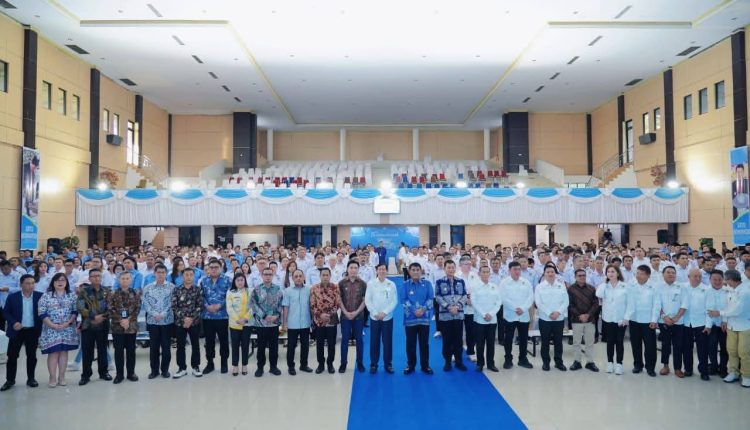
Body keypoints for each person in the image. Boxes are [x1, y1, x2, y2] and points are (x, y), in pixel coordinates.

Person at [1, 274, 43, 391]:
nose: (31, 286)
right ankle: (10, 380)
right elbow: (6, 312)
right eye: (27, 283)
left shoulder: (40, 296)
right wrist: (13, 322)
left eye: (33, 283)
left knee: (32, 356)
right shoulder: (13, 297)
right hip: (16, 331)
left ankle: (31, 378)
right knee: (12, 356)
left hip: (32, 331)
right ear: (21, 285)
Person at [709, 269, 750, 387]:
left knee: (744, 352)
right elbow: (727, 306)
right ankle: (733, 372)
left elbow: (738, 310)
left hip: (744, 326)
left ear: (731, 280)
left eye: (726, 280)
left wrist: (719, 313)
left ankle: (746, 376)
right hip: (731, 326)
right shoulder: (731, 290)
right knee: (731, 351)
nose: (725, 282)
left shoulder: (746, 292)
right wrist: (724, 320)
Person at [38, 273, 79, 388]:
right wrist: (52, 325)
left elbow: (75, 311)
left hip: (67, 328)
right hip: (51, 329)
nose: (60, 282)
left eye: (62, 280)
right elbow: (41, 312)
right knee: (53, 353)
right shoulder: (46, 295)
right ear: (53, 282)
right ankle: (52, 377)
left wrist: (68, 322)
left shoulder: (72, 295)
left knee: (63, 353)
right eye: (57, 280)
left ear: (66, 283)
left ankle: (62, 377)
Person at [76, 268, 112, 385]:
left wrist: (102, 317)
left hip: (103, 324)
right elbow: (80, 307)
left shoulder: (107, 291)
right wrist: (93, 317)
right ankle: (86, 375)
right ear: (89, 278)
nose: (97, 278)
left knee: (103, 349)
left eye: (99, 276)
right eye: (94, 276)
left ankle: (103, 372)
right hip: (88, 325)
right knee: (87, 351)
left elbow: (111, 307)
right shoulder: (83, 291)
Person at [625, 265, 659, 377]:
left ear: (648, 275)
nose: (638, 276)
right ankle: (638, 365)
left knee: (650, 346)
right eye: (637, 273)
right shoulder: (631, 285)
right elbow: (628, 302)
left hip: (648, 321)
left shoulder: (654, 287)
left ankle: (650, 367)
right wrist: (626, 317)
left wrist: (654, 320)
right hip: (634, 319)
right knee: (636, 344)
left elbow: (656, 305)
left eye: (642, 274)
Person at [435, 260, 468, 371]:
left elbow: (464, 295)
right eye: (448, 267)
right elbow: (438, 297)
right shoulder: (439, 282)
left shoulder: (461, 281)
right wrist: (449, 307)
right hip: (446, 316)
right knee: (447, 340)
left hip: (458, 315)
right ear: (445, 269)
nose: (451, 270)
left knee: (458, 340)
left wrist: (457, 307)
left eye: (453, 267)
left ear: (455, 268)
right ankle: (447, 362)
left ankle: (459, 362)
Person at [142, 264, 174, 379]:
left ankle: (165, 370)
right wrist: (155, 314)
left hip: (167, 321)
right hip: (153, 321)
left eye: (163, 272)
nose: (160, 274)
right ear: (154, 273)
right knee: (154, 347)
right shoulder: (148, 287)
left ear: (166, 274)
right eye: (158, 272)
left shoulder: (171, 287)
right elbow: (146, 303)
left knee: (166, 347)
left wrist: (163, 313)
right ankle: (154, 371)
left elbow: (172, 302)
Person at [500, 261, 534, 369]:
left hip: (523, 315)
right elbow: (503, 298)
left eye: (519, 269)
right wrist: (515, 308)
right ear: (509, 270)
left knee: (523, 338)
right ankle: (508, 359)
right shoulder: (504, 283)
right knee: (508, 338)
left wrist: (523, 308)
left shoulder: (526, 282)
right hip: (510, 315)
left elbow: (530, 297)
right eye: (515, 269)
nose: (517, 271)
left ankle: (523, 359)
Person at [535, 264, 569, 371]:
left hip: (559, 319)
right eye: (548, 272)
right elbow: (538, 302)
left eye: (552, 272)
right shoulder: (539, 287)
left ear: (555, 274)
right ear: (544, 274)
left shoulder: (561, 285)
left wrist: (558, 312)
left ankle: (559, 362)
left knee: (558, 342)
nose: (550, 274)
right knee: (545, 342)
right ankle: (546, 363)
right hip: (545, 319)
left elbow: (566, 301)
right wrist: (549, 313)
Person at [108, 271, 140, 384]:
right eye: (122, 278)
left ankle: (131, 373)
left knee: (131, 351)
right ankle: (119, 374)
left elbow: (137, 308)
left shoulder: (136, 293)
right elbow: (110, 309)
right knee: (119, 352)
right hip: (118, 327)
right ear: (119, 280)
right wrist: (121, 320)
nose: (125, 280)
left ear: (131, 280)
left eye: (127, 278)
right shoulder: (113, 293)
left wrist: (128, 320)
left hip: (131, 327)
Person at [596, 264, 628, 375]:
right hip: (608, 318)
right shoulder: (604, 286)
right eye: (608, 272)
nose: (610, 273)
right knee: (609, 342)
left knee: (619, 341)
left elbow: (630, 303)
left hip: (621, 319)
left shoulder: (624, 286)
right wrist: (604, 284)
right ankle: (610, 363)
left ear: (618, 273)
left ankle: (619, 364)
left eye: (613, 271)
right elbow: (598, 294)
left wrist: (626, 318)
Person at [250, 267, 283, 377]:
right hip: (261, 324)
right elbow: (253, 305)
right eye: (265, 274)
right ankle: (260, 368)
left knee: (274, 347)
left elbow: (281, 304)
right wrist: (264, 316)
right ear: (262, 275)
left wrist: (276, 316)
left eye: (270, 274)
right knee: (261, 347)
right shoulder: (257, 289)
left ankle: (273, 367)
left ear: (272, 275)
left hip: (274, 323)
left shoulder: (278, 289)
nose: (268, 276)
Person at [401, 262, 433, 375]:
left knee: (424, 343)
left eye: (417, 270)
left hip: (424, 319)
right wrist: (414, 310)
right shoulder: (405, 285)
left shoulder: (427, 284)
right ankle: (411, 365)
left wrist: (423, 309)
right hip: (410, 319)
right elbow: (403, 300)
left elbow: (430, 299)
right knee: (410, 343)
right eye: (413, 270)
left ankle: (425, 366)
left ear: (421, 271)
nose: (415, 272)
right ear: (409, 272)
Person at [365, 264, 397, 374]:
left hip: (387, 318)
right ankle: (374, 364)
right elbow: (367, 300)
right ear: (376, 271)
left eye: (384, 269)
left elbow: (394, 301)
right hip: (374, 318)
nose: (382, 271)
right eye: (380, 269)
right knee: (374, 341)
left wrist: (385, 312)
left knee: (387, 342)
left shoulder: (391, 284)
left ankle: (388, 364)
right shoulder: (371, 283)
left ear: (386, 271)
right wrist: (374, 313)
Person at [171, 267, 203, 378]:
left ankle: (195, 366)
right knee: (180, 346)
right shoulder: (177, 289)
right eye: (186, 275)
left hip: (194, 322)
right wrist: (184, 319)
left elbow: (199, 306)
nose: (188, 277)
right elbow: (174, 306)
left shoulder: (198, 289)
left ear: (193, 276)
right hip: (180, 323)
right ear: (182, 276)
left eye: (191, 275)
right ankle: (182, 368)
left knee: (195, 345)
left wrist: (190, 319)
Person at [200, 260, 230, 374]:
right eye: (211, 267)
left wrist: (220, 305)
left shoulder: (227, 280)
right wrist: (207, 306)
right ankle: (210, 364)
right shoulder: (204, 281)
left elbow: (231, 296)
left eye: (216, 267)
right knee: (209, 342)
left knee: (224, 341)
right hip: (208, 316)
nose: (213, 269)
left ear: (221, 268)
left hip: (222, 316)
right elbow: (201, 296)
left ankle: (224, 363)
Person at [657, 266, 688, 377]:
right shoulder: (658, 287)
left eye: (673, 272)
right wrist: (664, 317)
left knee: (678, 345)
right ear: (663, 274)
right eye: (668, 272)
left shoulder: (681, 287)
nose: (671, 274)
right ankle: (665, 366)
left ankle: (678, 368)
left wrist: (676, 317)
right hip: (663, 320)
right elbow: (657, 304)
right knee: (665, 344)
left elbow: (685, 303)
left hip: (678, 321)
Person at [567, 268, 600, 372]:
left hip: (590, 320)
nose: (582, 277)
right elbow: (569, 305)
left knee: (589, 342)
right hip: (576, 319)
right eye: (579, 275)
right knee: (576, 342)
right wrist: (580, 315)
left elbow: (596, 304)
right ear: (575, 277)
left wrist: (588, 315)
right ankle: (577, 361)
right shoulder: (571, 289)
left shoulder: (591, 288)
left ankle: (590, 362)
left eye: (584, 275)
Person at [338, 260, 367, 373]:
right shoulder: (341, 283)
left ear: (358, 270)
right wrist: (345, 312)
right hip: (345, 317)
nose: (353, 270)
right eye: (351, 268)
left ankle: (360, 362)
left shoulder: (363, 284)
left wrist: (356, 312)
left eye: (355, 268)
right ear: (347, 269)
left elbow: (364, 301)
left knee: (359, 340)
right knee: (345, 340)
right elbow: (339, 299)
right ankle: (343, 363)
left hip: (358, 317)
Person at [282, 269, 313, 375]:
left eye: (300, 276)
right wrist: (284, 323)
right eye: (296, 276)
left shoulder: (309, 290)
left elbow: (311, 306)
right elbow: (286, 307)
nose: (298, 278)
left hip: (305, 323)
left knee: (305, 346)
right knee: (291, 346)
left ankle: (304, 365)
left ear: (303, 277)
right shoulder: (288, 291)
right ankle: (291, 366)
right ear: (292, 278)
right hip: (292, 323)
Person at [683, 268, 712, 380]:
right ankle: (688, 369)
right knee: (686, 348)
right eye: (695, 276)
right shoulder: (683, 288)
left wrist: (708, 325)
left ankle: (704, 371)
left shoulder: (707, 289)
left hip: (701, 324)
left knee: (703, 349)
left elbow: (709, 309)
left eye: (699, 276)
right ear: (688, 277)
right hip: (686, 323)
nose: (697, 278)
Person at [471, 266, 502, 372]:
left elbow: (498, 302)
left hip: (492, 320)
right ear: (479, 273)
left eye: (487, 272)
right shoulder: (475, 287)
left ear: (490, 274)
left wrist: (491, 314)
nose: (485, 274)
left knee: (491, 343)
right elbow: (474, 302)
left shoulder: (494, 286)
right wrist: (484, 314)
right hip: (480, 319)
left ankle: (490, 364)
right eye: (483, 272)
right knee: (480, 343)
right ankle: (480, 364)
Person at [310, 267, 340, 374]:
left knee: (331, 344)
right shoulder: (314, 288)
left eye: (327, 275)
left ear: (330, 276)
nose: (325, 277)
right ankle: (321, 364)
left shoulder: (335, 287)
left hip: (332, 320)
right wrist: (321, 315)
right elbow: (312, 305)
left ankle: (330, 364)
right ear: (320, 276)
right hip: (319, 321)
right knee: (320, 344)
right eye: (323, 275)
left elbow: (337, 303)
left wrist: (329, 314)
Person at [226, 273, 252, 376]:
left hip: (247, 323)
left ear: (245, 281)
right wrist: (237, 319)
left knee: (245, 345)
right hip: (234, 324)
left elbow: (253, 307)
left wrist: (245, 318)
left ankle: (244, 365)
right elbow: (229, 308)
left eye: (242, 280)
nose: (240, 282)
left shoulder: (249, 291)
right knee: (235, 346)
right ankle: (235, 366)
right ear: (234, 282)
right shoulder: (230, 292)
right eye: (238, 280)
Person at [706, 270, 729, 377]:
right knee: (711, 347)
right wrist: (708, 326)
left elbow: (729, 308)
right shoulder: (706, 291)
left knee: (724, 348)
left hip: (725, 324)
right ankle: (714, 366)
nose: (717, 282)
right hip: (712, 325)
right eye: (714, 279)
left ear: (723, 279)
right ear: (710, 280)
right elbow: (707, 310)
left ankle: (723, 368)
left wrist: (724, 320)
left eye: (720, 279)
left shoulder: (728, 291)